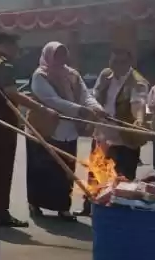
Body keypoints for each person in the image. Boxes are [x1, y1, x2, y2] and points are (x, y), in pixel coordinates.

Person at [0, 32, 46, 228]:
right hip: (3, 120)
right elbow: (11, 93)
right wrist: (40, 108)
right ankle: (1, 212)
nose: (17, 52)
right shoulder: (3, 65)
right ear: (8, 45)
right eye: (16, 47)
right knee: (1, 168)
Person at [28, 42, 105, 220]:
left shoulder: (72, 74)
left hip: (70, 129)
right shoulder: (40, 75)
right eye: (57, 55)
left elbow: (86, 96)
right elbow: (51, 100)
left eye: (63, 54)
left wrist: (97, 108)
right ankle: (35, 204)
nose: (61, 59)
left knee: (65, 171)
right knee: (40, 170)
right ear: (49, 55)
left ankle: (63, 207)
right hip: (45, 128)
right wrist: (80, 110)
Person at [92, 47, 149, 181]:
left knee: (123, 181)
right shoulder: (105, 75)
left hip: (125, 139)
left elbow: (138, 103)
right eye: (114, 61)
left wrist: (139, 120)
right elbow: (94, 96)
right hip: (103, 136)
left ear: (130, 62)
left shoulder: (137, 81)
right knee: (97, 178)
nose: (117, 65)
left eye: (121, 62)